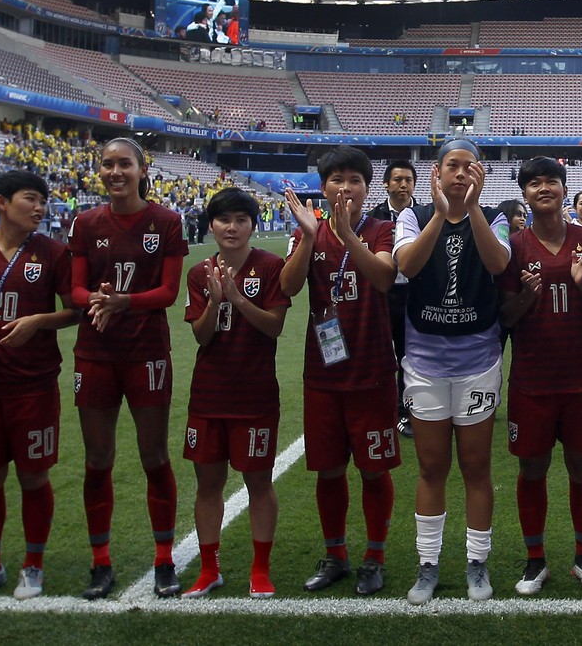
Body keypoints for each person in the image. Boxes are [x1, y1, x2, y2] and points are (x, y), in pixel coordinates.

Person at [69, 138, 188, 600]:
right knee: (98, 461)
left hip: (147, 353)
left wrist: (123, 303)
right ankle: (101, 563)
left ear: (142, 169)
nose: (115, 171)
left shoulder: (167, 221)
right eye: (107, 164)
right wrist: (99, 302)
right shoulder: (85, 223)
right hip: (95, 354)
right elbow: (76, 291)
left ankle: (163, 560)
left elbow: (168, 292)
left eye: (124, 164)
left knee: (154, 458)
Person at [393, 141, 510, 605]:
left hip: (477, 363)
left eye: (469, 168)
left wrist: (473, 210)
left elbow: (499, 264)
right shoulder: (415, 216)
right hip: (424, 364)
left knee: (477, 468)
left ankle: (477, 563)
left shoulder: (495, 215)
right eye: (452, 167)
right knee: (431, 467)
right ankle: (428, 564)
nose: (460, 175)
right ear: (436, 173)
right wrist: (441, 216)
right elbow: (406, 264)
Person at [280, 147, 399, 598]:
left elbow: (384, 277)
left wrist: (348, 236)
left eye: (354, 180)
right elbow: (287, 287)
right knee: (328, 470)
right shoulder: (305, 231)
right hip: (323, 374)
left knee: (373, 470)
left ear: (367, 189)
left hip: (371, 371)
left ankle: (375, 557)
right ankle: (336, 554)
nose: (345, 188)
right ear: (324, 186)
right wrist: (310, 237)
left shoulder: (383, 228)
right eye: (336, 180)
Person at [0, 171, 75, 602]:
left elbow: (75, 311)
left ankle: (34, 565)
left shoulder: (54, 253)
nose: (41, 207)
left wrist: (38, 322)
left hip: (34, 385)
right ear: (2, 202)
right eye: (32, 199)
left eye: (44, 200)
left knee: (33, 476)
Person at [498, 157, 582, 596]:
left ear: (565, 189)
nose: (544, 188)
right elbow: (503, 316)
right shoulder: (512, 246)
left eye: (552, 181)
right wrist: (527, 295)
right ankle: (534, 559)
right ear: (524, 193)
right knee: (532, 468)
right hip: (533, 379)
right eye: (534, 183)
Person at [180, 188, 290, 599]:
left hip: (255, 394)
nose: (232, 227)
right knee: (208, 482)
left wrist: (239, 298)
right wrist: (214, 300)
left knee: (258, 481)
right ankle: (209, 569)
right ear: (211, 225)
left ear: (252, 225)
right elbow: (202, 336)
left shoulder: (271, 266)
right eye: (224, 219)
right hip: (208, 395)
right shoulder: (198, 272)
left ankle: (259, 570)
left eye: (241, 219)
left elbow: (274, 327)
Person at [369, 160, 417, 439]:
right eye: (398, 179)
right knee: (380, 354)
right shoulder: (373, 218)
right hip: (382, 295)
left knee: (409, 355)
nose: (403, 185)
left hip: (413, 295)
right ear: (386, 184)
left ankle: (404, 410)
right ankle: (380, 406)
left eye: (408, 180)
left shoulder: (424, 215)